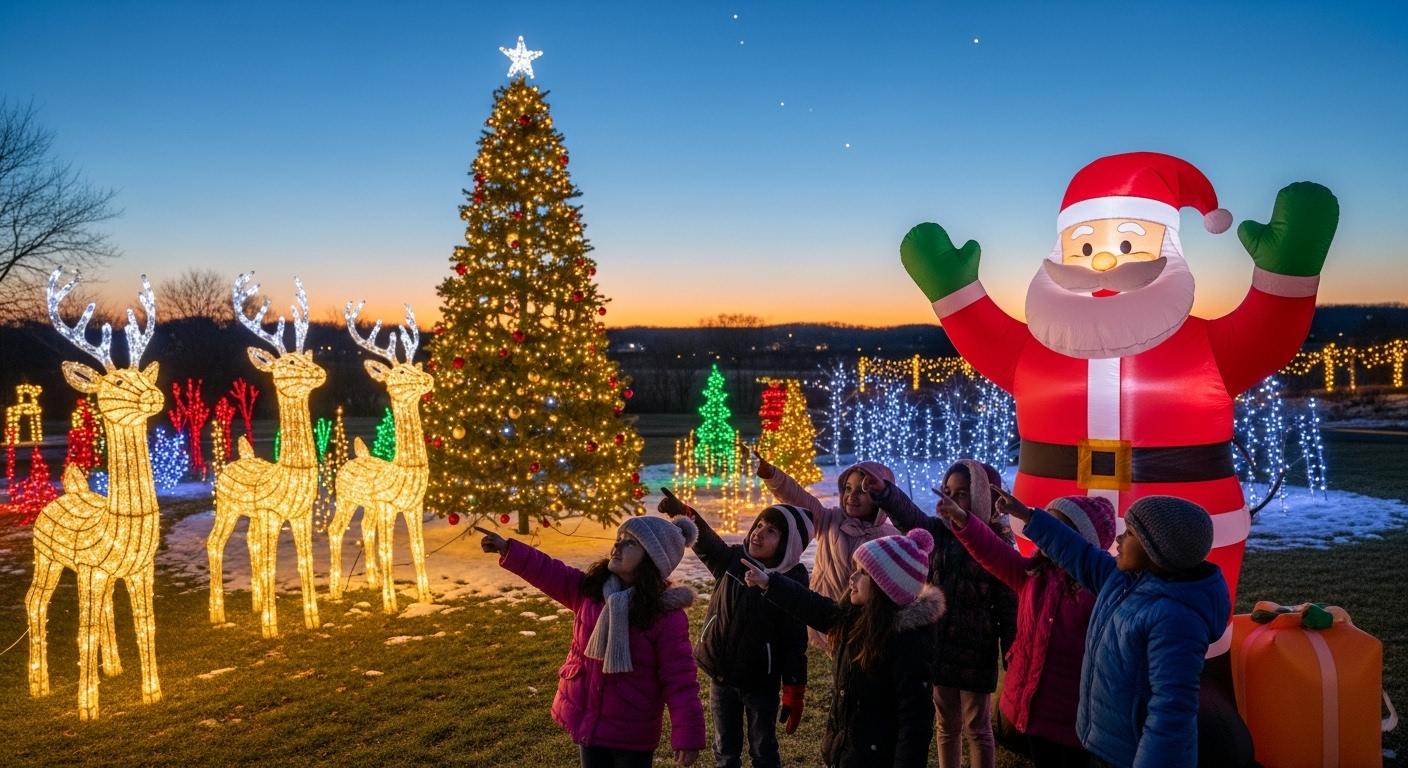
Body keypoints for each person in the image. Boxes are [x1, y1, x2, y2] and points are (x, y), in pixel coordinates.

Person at [994, 490, 1231, 768]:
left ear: (1155, 550)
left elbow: (1171, 711)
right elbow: (1079, 553)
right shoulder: (1123, 581)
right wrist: (1028, 516)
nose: (1119, 539)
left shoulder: (1175, 621)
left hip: (1127, 755)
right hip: (1100, 741)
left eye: (1129, 533)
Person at [479, 516, 705, 768]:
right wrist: (508, 548)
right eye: (618, 539)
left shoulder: (664, 616)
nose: (617, 546)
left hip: (631, 729)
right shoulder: (592, 590)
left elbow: (680, 680)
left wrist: (688, 736)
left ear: (653, 559)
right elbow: (547, 570)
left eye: (630, 543)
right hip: (589, 721)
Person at [939, 493, 1116, 767]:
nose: (1044, 536)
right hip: (1032, 709)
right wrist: (963, 520)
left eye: (1056, 529)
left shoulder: (1098, 592)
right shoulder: (1033, 575)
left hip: (1074, 716)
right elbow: (993, 551)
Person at [744, 528, 945, 767]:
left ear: (885, 587)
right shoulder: (854, 618)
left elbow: (915, 722)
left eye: (862, 573)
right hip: (845, 752)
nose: (852, 579)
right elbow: (811, 605)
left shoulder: (907, 644)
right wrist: (769, 582)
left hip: (875, 758)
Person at [875, 459, 1017, 768]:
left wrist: (1011, 652)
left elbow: (1009, 605)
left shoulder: (997, 543)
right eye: (947, 491)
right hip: (938, 647)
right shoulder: (938, 532)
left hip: (975, 652)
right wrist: (886, 493)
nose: (951, 500)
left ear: (983, 496)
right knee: (946, 727)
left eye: (962, 494)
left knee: (978, 729)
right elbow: (909, 516)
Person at [659, 496, 813, 768]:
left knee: (763, 749)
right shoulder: (733, 561)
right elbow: (707, 542)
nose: (758, 533)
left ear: (788, 545)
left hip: (760, 683)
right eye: (760, 525)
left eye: (771, 531)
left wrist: (794, 688)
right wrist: (685, 514)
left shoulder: (790, 586)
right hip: (722, 674)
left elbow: (794, 642)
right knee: (725, 748)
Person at [755, 450, 899, 648]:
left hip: (864, 622)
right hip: (823, 615)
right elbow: (799, 499)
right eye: (848, 489)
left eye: (861, 491)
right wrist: (773, 476)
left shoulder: (889, 537)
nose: (851, 496)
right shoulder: (829, 521)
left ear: (880, 494)